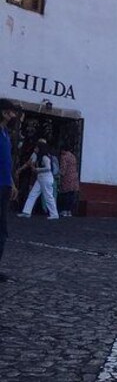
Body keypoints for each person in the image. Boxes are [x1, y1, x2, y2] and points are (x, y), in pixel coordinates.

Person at [1, 99, 21, 282]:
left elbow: (7, 162)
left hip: (4, 186)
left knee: (2, 229)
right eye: (11, 112)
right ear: (4, 113)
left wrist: (12, 183)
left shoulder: (6, 134)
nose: (14, 116)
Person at [17, 139, 59, 219]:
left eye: (36, 147)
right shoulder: (40, 156)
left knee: (48, 196)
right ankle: (26, 212)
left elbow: (48, 168)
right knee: (33, 194)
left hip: (45, 178)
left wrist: (37, 169)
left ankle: (54, 214)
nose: (35, 149)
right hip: (41, 178)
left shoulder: (44, 157)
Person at [57, 147, 79, 217]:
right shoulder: (73, 156)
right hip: (74, 178)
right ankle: (69, 211)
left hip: (66, 178)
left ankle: (64, 211)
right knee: (71, 194)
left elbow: (63, 169)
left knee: (65, 194)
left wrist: (59, 175)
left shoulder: (64, 157)